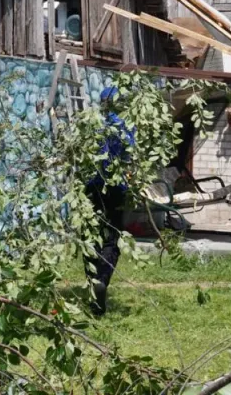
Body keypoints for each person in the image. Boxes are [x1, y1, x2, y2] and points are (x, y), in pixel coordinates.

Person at [84, 86, 135, 317]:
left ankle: (93, 280)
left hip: (92, 188)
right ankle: (102, 278)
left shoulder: (91, 125)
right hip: (116, 188)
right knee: (113, 237)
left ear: (102, 103)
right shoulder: (124, 127)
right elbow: (129, 155)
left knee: (90, 235)